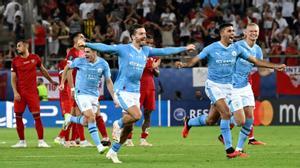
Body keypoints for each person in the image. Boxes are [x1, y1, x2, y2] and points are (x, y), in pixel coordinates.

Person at [80, 23, 195, 163]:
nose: (144, 36)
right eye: (140, 34)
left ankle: (113, 151)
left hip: (135, 91)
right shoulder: (124, 49)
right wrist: (88, 44)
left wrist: (184, 48)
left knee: (129, 128)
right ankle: (117, 123)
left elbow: (165, 51)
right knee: (137, 115)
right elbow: (105, 47)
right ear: (133, 36)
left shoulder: (146, 51)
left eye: (145, 34)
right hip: (122, 89)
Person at [176, 23, 285, 158]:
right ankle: (230, 150)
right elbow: (196, 59)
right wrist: (184, 64)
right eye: (230, 31)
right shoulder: (213, 48)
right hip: (215, 86)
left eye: (234, 30)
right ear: (222, 33)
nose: (233, 33)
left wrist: (275, 66)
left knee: (211, 120)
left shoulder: (238, 48)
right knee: (228, 115)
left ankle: (189, 122)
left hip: (230, 87)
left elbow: (255, 61)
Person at [59, 47, 116, 154]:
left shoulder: (103, 64)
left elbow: (108, 81)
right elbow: (67, 68)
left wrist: (115, 98)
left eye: (88, 52)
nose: (85, 54)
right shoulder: (79, 61)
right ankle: (99, 146)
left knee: (86, 122)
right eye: (84, 52)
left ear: (95, 51)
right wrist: (62, 83)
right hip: (81, 93)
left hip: (94, 96)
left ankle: (70, 118)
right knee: (91, 117)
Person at [11, 40, 57, 148]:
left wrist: (50, 80)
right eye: (17, 46)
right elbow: (13, 78)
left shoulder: (35, 58)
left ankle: (41, 141)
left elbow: (43, 70)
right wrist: (15, 92)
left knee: (37, 117)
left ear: (26, 46)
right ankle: (22, 142)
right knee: (18, 117)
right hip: (20, 94)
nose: (17, 48)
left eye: (19, 46)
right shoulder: (15, 61)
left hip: (32, 93)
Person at [124, 35, 161, 147]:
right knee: (133, 115)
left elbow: (157, 74)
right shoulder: (135, 54)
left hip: (150, 87)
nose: (150, 45)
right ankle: (128, 139)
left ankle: (143, 139)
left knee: (148, 114)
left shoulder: (154, 57)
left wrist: (154, 68)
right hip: (137, 88)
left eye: (151, 43)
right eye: (148, 42)